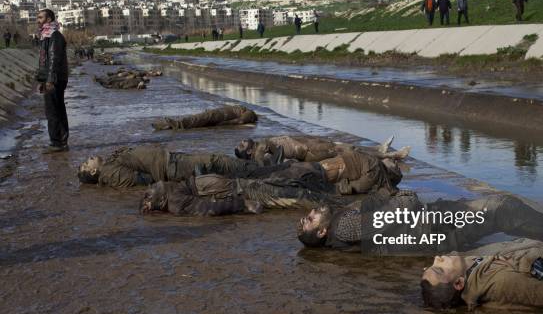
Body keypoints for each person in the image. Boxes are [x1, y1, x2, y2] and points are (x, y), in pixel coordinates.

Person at [297, 191, 543, 251]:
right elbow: (399, 210)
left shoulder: (342, 227)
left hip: (433, 224)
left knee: (500, 211)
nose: (311, 213)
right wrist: (402, 196)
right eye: (310, 220)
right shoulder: (346, 226)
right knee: (500, 208)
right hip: (437, 225)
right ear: (323, 232)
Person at [420, 237, 543, 310]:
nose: (438, 257)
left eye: (432, 264)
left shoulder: (470, 265)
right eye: (439, 268)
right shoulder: (501, 283)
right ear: (459, 284)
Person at [77, 145, 332, 189]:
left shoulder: (110, 163)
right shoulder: (109, 172)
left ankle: (281, 169)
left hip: (177, 163)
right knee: (227, 165)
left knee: (231, 166)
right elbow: (140, 182)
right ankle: (288, 170)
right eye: (86, 162)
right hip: (178, 167)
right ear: (92, 171)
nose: (90, 158)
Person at [141, 172, 342, 216]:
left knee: (295, 188)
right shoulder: (175, 200)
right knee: (298, 196)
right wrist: (242, 205)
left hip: (244, 185)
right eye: (148, 194)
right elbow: (208, 208)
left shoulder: (174, 190)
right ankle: (343, 207)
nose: (153, 187)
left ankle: (340, 200)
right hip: (246, 190)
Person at [235, 135, 409, 166]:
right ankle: (390, 155)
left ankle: (378, 149)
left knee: (341, 145)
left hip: (303, 144)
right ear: (248, 152)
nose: (242, 141)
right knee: (345, 150)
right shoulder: (259, 153)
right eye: (241, 146)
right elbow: (272, 162)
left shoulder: (258, 146)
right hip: (307, 150)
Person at [35, 9, 69, 153]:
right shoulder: (46, 36)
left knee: (53, 110)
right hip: (52, 78)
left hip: (55, 79)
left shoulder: (54, 36)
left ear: (49, 19)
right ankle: (60, 141)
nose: (38, 20)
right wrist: (42, 80)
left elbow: (54, 61)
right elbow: (44, 62)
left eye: (40, 17)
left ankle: (57, 143)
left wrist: (49, 80)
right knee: (57, 108)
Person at [151, 105, 258, 130]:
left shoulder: (250, 113)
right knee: (199, 120)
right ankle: (167, 126)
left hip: (222, 115)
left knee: (200, 118)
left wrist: (223, 124)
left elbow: (239, 121)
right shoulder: (247, 111)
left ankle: (179, 124)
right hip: (221, 114)